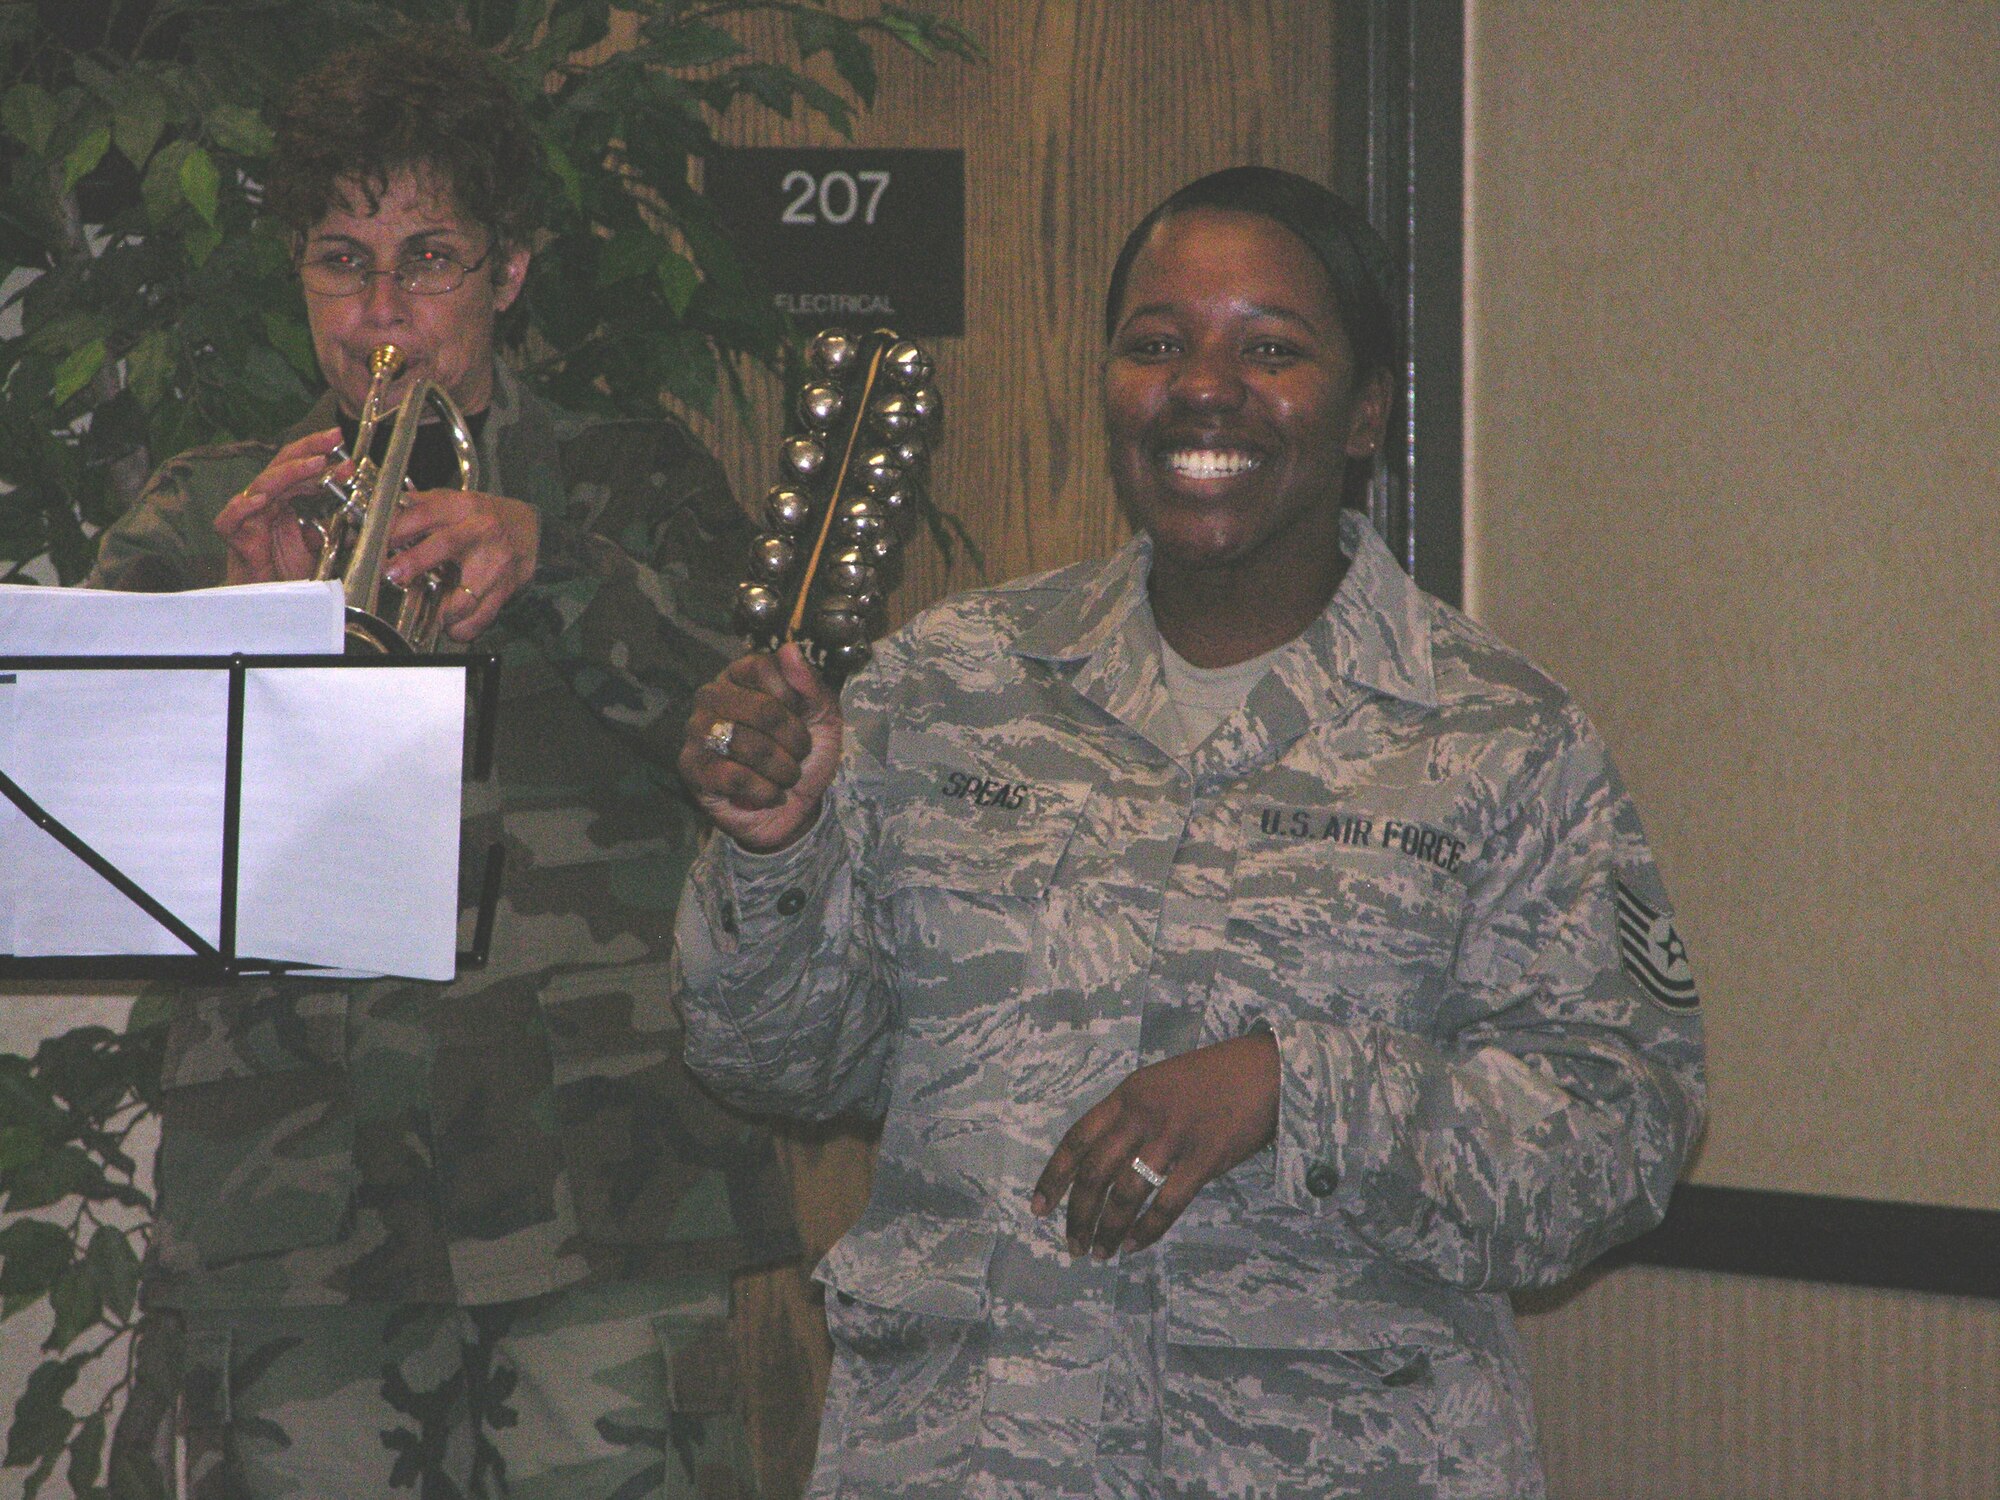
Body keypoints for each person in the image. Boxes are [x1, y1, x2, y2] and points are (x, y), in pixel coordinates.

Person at [667, 166, 1706, 1499]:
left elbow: (1623, 1129)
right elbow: (781, 1066)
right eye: (1157, 344)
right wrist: (774, 848)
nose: (1204, 386)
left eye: (1270, 349)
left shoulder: (1498, 736)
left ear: (1367, 412)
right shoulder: (949, 686)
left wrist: (1297, 1085)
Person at [87, 27, 797, 1500]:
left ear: (512, 272)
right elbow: (97, 845)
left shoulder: (631, 483)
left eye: (432, 260)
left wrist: (562, 564)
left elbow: (768, 752)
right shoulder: (196, 517)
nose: (382, 313)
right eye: (344, 261)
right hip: (292, 1209)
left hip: (603, 1197)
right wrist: (248, 622)